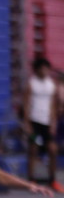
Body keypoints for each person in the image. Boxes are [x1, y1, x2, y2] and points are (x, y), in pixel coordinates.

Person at [22, 57, 62, 191]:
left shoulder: (52, 85)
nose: (45, 71)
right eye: (42, 69)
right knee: (33, 149)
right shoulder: (31, 84)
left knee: (52, 149)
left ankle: (52, 180)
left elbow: (53, 105)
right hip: (34, 123)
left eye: (47, 69)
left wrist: (53, 123)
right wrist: (27, 123)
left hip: (47, 123)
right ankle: (31, 179)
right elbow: (26, 105)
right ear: (36, 70)